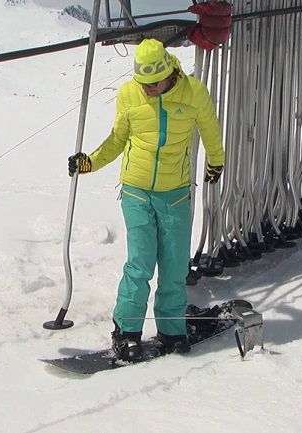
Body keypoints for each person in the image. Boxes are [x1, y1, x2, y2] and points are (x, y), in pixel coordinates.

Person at [67, 39, 225, 361]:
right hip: (137, 192)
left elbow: (210, 129)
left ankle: (171, 329)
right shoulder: (129, 95)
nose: (148, 90)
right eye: (143, 83)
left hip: (176, 195)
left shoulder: (194, 93)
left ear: (169, 73)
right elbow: (117, 139)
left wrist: (216, 160)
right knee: (140, 264)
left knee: (174, 267)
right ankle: (126, 332)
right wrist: (91, 162)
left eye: (153, 84)